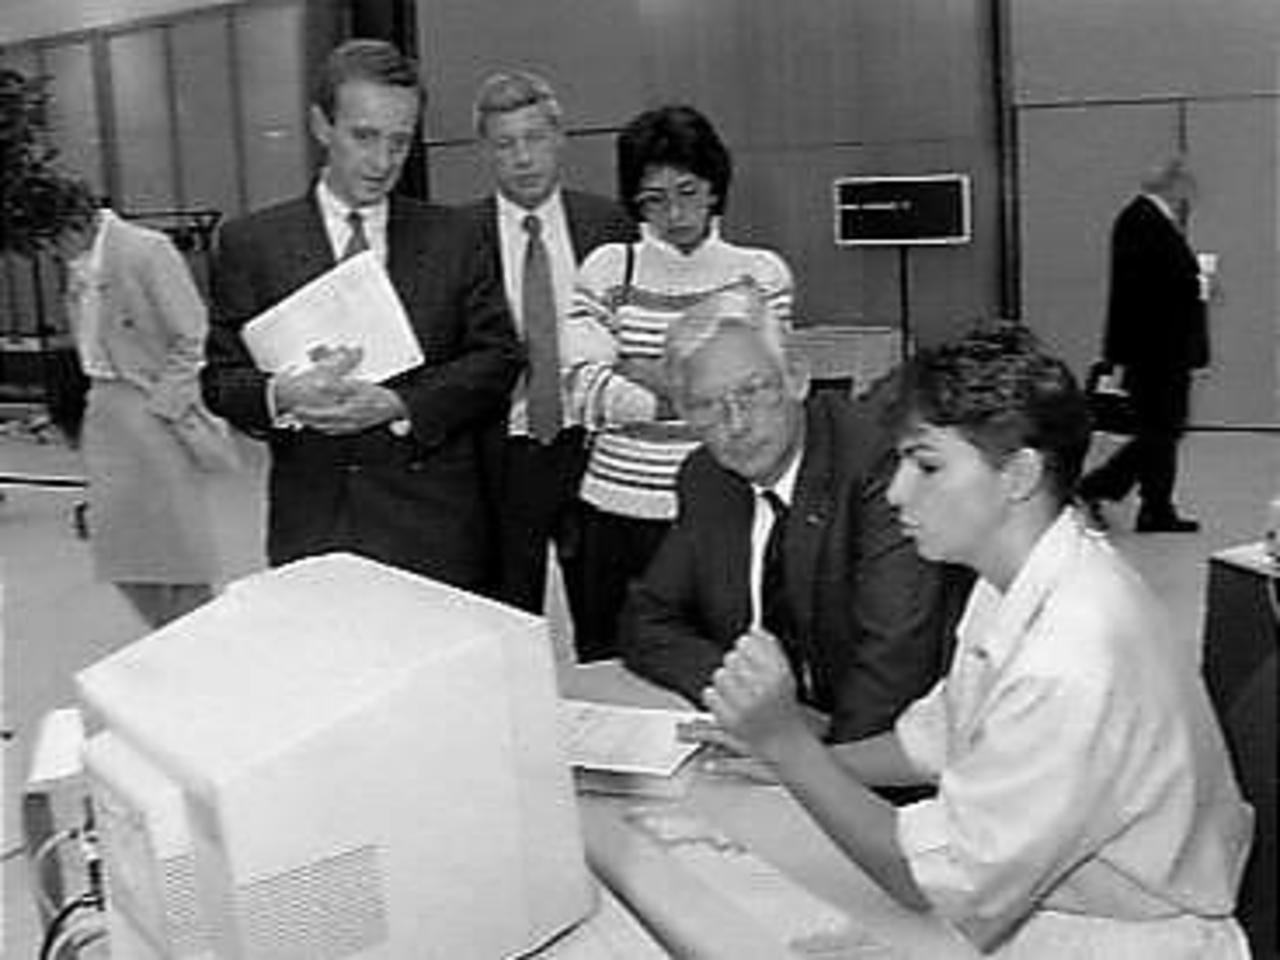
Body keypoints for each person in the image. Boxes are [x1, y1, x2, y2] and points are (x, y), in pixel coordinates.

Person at [702, 323, 1253, 957]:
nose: (897, 491)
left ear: (1018, 475)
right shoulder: (1018, 575)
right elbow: (937, 740)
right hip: (1067, 909)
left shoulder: (1070, 656)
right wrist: (792, 761)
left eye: (927, 466)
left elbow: (928, 881)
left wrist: (788, 745)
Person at [203, 39, 519, 588]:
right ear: (321, 125)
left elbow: (497, 359)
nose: (382, 162)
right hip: (314, 521)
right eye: (364, 136)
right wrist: (282, 394)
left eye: (400, 142)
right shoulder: (252, 243)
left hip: (435, 524)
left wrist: (401, 403)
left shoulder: (455, 237)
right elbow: (220, 381)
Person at [621, 283, 965, 741]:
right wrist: (749, 701)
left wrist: (811, 756)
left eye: (752, 391)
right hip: (774, 743)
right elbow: (647, 621)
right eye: (707, 406)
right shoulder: (708, 480)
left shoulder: (877, 464)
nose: (736, 424)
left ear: (797, 379)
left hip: (884, 754)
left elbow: (896, 663)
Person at [564, 104, 793, 660]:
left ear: (714, 187)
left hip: (724, 509)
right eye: (654, 198)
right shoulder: (608, 268)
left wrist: (644, 374)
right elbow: (583, 392)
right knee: (611, 668)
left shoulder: (759, 274)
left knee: (719, 668)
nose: (674, 212)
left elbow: (764, 394)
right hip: (614, 511)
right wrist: (706, 393)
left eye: (688, 192)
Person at [459, 70, 635, 616]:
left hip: (594, 443)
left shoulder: (609, 225)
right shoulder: (457, 237)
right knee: (507, 613)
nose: (523, 158)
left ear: (560, 138)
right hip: (502, 451)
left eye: (534, 138)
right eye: (505, 144)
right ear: (485, 151)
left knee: (607, 610)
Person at [51, 184, 225, 628]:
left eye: (54, 239)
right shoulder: (82, 263)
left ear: (78, 225)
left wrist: (165, 405)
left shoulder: (146, 251)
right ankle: (168, 633)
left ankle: (198, 642)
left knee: (176, 548)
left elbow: (191, 332)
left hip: (151, 406)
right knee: (119, 547)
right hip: (104, 406)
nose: (51, 251)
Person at [1079, 157, 1208, 533]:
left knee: (1163, 430)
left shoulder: (1147, 219)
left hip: (1160, 347)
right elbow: (1143, 290)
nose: (1192, 193)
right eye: (1187, 185)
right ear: (1172, 184)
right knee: (1162, 430)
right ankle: (1101, 487)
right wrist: (1193, 284)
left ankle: (1156, 507)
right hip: (1156, 349)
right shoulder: (1141, 221)